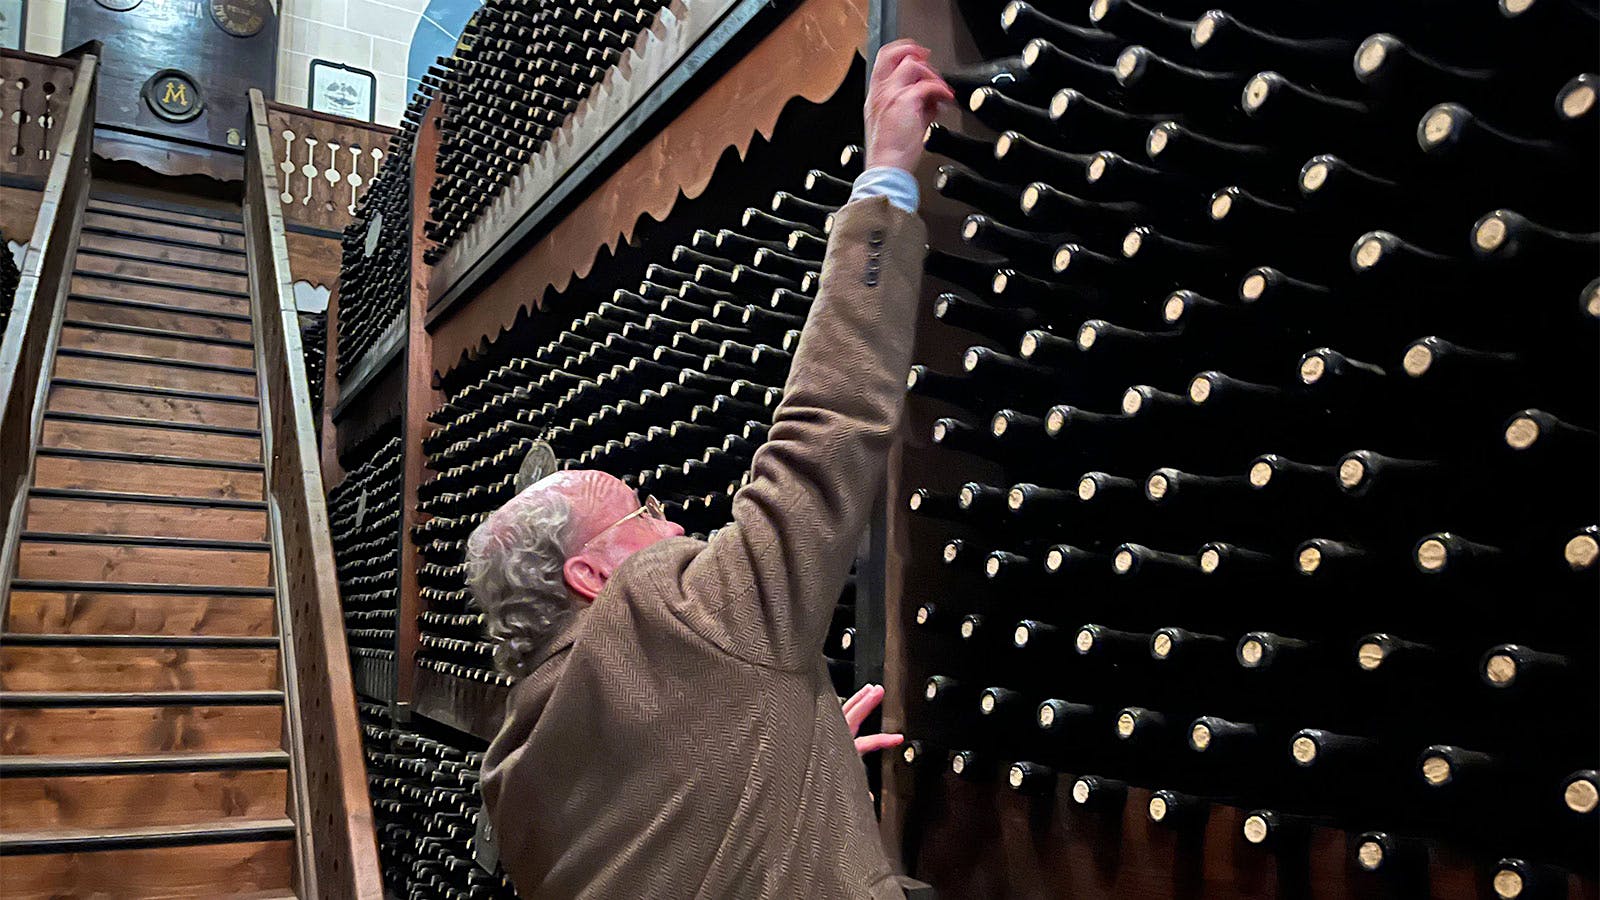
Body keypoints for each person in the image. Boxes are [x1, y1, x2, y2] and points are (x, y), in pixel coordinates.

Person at [470, 39, 953, 898]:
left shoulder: (518, 772)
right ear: (591, 574)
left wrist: (791, 749)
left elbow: (688, 819)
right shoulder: (668, 617)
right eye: (641, 513)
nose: (671, 525)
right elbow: (822, 431)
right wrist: (883, 183)